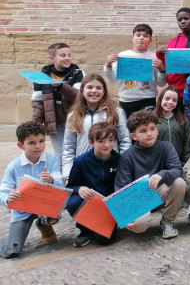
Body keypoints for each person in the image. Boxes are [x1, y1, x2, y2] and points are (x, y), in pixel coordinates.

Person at [114, 111, 186, 239]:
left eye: (152, 129)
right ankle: (142, 218)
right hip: (139, 199)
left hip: (160, 193)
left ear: (157, 131)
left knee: (179, 182)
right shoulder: (127, 156)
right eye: (143, 131)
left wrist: (162, 174)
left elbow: (177, 169)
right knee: (138, 227)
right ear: (134, 136)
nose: (149, 133)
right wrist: (126, 214)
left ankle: (168, 221)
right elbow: (122, 187)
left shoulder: (166, 147)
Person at [0, 121, 63, 258]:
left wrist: (52, 180)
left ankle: (44, 225)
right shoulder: (13, 166)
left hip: (44, 207)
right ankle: (10, 242)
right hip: (22, 210)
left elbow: (61, 186)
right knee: (12, 252)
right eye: (31, 143)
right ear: (20, 145)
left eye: (41, 141)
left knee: (54, 215)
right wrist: (7, 197)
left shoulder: (51, 160)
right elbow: (3, 192)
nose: (38, 146)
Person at [62, 73, 132, 178]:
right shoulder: (73, 115)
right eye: (89, 87)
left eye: (98, 88)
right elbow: (68, 148)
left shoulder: (116, 112)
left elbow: (125, 141)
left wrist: (122, 167)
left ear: (104, 91)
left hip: (110, 166)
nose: (94, 91)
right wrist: (67, 176)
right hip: (85, 168)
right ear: (82, 91)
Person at [65, 122, 121, 247]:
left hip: (110, 205)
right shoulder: (81, 161)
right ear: (91, 143)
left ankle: (105, 224)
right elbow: (70, 187)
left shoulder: (119, 160)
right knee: (73, 201)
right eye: (101, 141)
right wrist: (80, 189)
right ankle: (84, 229)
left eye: (111, 140)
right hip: (91, 202)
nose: (107, 145)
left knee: (104, 240)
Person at [103, 23, 167, 118]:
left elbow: (161, 83)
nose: (141, 38)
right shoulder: (122, 56)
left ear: (150, 40)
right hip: (126, 101)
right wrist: (108, 65)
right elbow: (112, 79)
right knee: (127, 129)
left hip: (148, 100)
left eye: (145, 36)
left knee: (146, 128)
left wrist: (162, 70)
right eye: (138, 35)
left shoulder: (154, 58)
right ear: (132, 38)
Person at [31, 42, 83, 158]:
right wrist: (36, 124)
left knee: (77, 153)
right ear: (52, 58)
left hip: (75, 121)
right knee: (61, 156)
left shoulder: (78, 73)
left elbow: (78, 97)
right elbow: (38, 102)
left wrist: (60, 86)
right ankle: (64, 176)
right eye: (63, 55)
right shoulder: (41, 76)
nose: (67, 58)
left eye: (69, 55)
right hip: (55, 123)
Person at [155, 86, 190, 166]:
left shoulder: (183, 120)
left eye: (174, 100)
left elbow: (188, 144)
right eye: (167, 99)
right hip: (157, 164)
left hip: (178, 164)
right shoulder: (152, 119)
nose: (170, 102)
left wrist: (184, 164)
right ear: (160, 99)